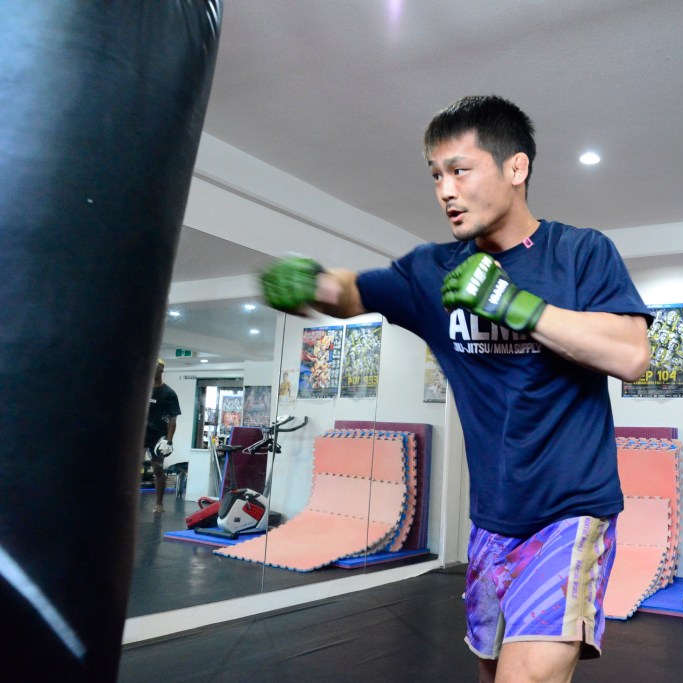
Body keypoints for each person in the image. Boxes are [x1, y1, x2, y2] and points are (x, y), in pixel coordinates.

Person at [260, 95, 651, 683]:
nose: (445, 189)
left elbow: (631, 353)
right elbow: (352, 292)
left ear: (515, 169)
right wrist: (312, 283)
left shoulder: (579, 253)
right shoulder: (430, 271)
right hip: (492, 517)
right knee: (493, 673)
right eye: (436, 175)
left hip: (572, 512)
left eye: (461, 170)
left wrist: (517, 305)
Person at [144, 359, 181, 514]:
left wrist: (169, 440)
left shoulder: (169, 393)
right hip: (141, 433)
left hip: (157, 437)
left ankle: (159, 504)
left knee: (158, 469)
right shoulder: (143, 389)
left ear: (161, 370)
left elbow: (173, 419)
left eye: (156, 367)